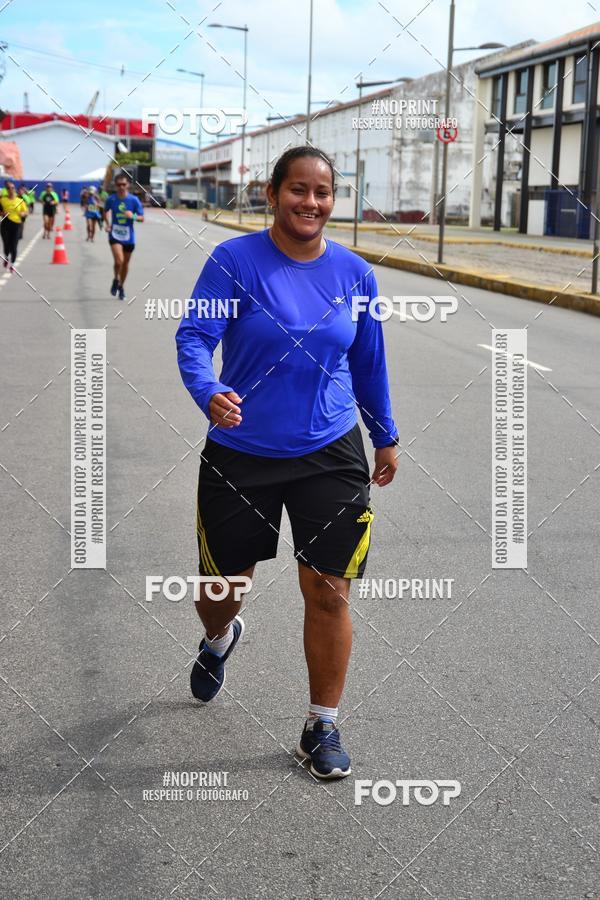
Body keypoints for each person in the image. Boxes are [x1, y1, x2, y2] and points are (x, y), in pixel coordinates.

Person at [176, 147, 399, 780]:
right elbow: (194, 337)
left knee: (328, 592)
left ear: (334, 199)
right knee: (223, 589)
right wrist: (207, 391)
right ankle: (220, 637)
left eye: (322, 192)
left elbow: (369, 362)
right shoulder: (234, 262)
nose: (311, 202)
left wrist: (384, 435)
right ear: (272, 194)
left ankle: (320, 725)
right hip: (241, 450)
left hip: (330, 452)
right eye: (297, 190)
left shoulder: (356, 274)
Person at [103, 172, 144, 301]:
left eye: (124, 184)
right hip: (115, 233)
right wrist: (108, 224)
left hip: (129, 236)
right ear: (115, 185)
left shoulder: (133, 200)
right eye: (119, 184)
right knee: (119, 261)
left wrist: (134, 216)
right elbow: (105, 211)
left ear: (128, 185)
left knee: (125, 264)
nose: (121, 187)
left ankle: (121, 286)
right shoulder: (111, 199)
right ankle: (116, 278)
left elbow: (142, 218)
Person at [0, 181, 28, 271]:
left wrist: (23, 214)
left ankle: (12, 264)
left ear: (14, 189)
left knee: (14, 245)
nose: (11, 189)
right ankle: (6, 257)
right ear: (6, 190)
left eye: (12, 188)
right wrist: (2, 213)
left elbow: (26, 212)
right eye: (8, 188)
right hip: (5, 224)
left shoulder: (20, 200)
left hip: (16, 224)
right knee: (6, 244)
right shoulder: (2, 200)